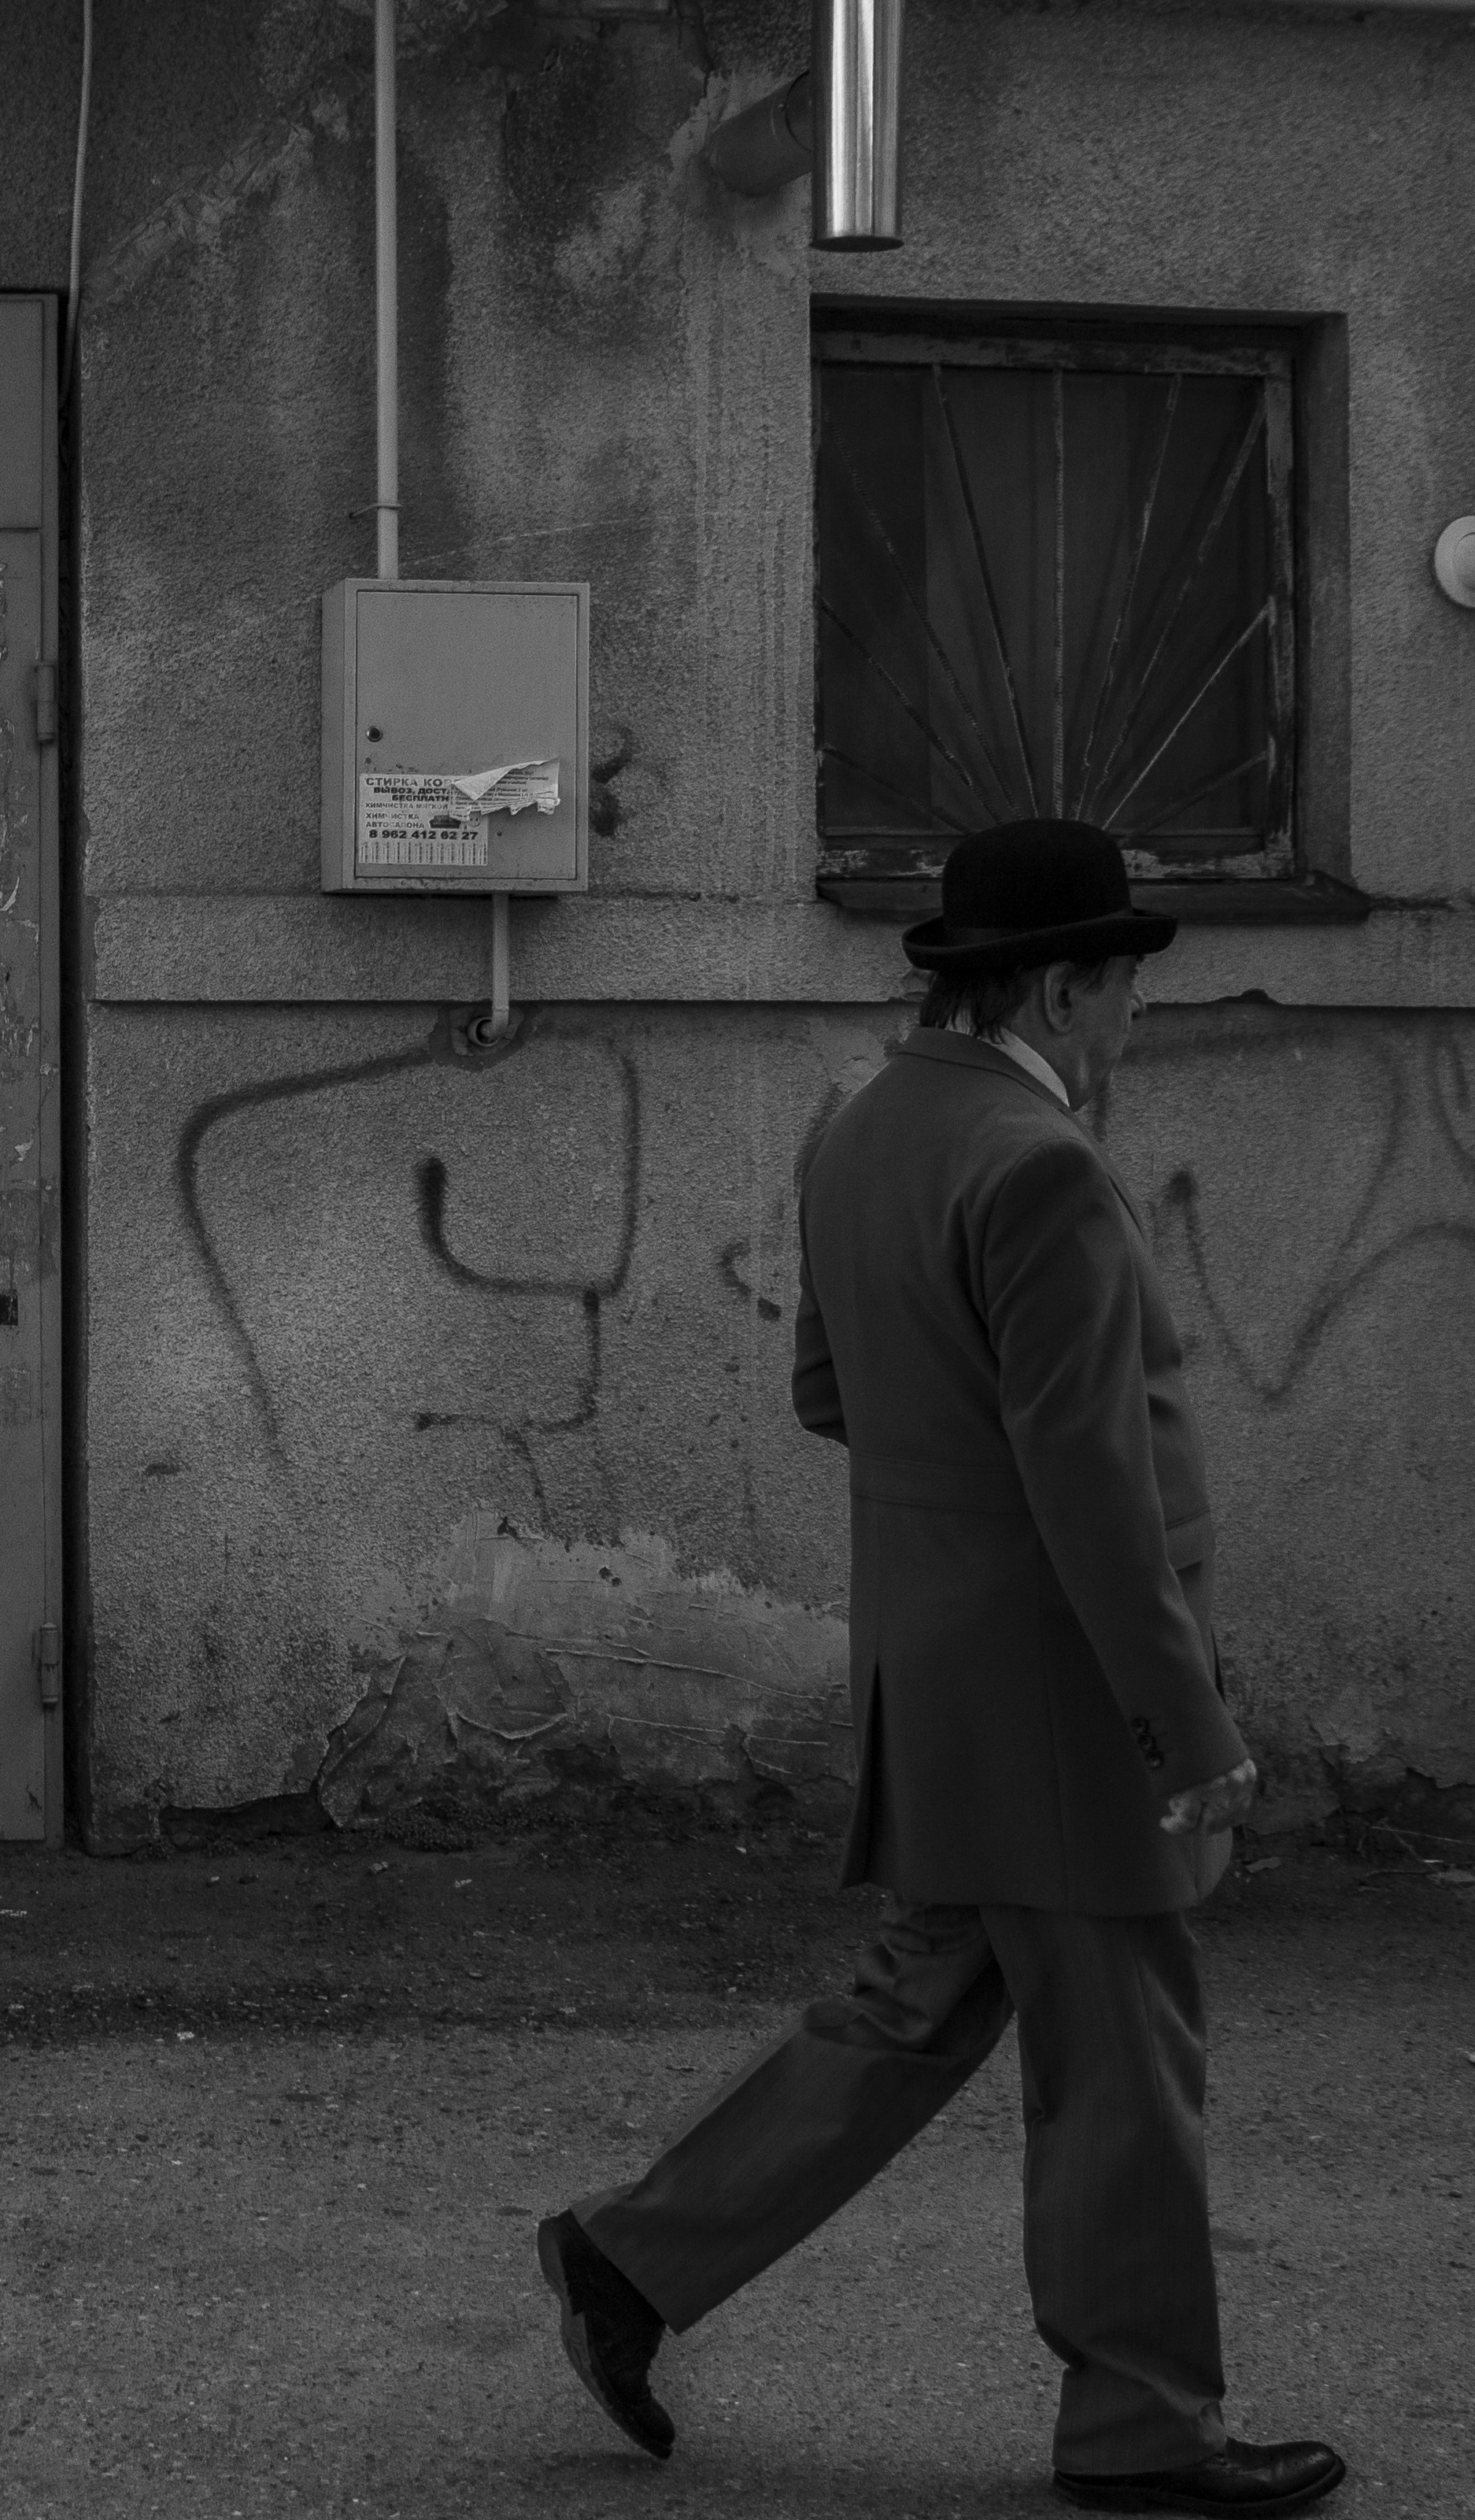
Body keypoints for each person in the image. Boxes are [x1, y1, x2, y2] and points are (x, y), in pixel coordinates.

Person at [532, 820, 1345, 2517]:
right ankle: (1141, 2423)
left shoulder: (863, 1123)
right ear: (1061, 984)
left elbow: (831, 1391)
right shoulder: (1039, 1163)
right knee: (1124, 2052)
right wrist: (1183, 1718)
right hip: (1062, 1679)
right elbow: (1088, 1477)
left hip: (944, 1651)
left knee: (922, 1998)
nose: (1129, 1035)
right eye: (1126, 999)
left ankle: (627, 2256)